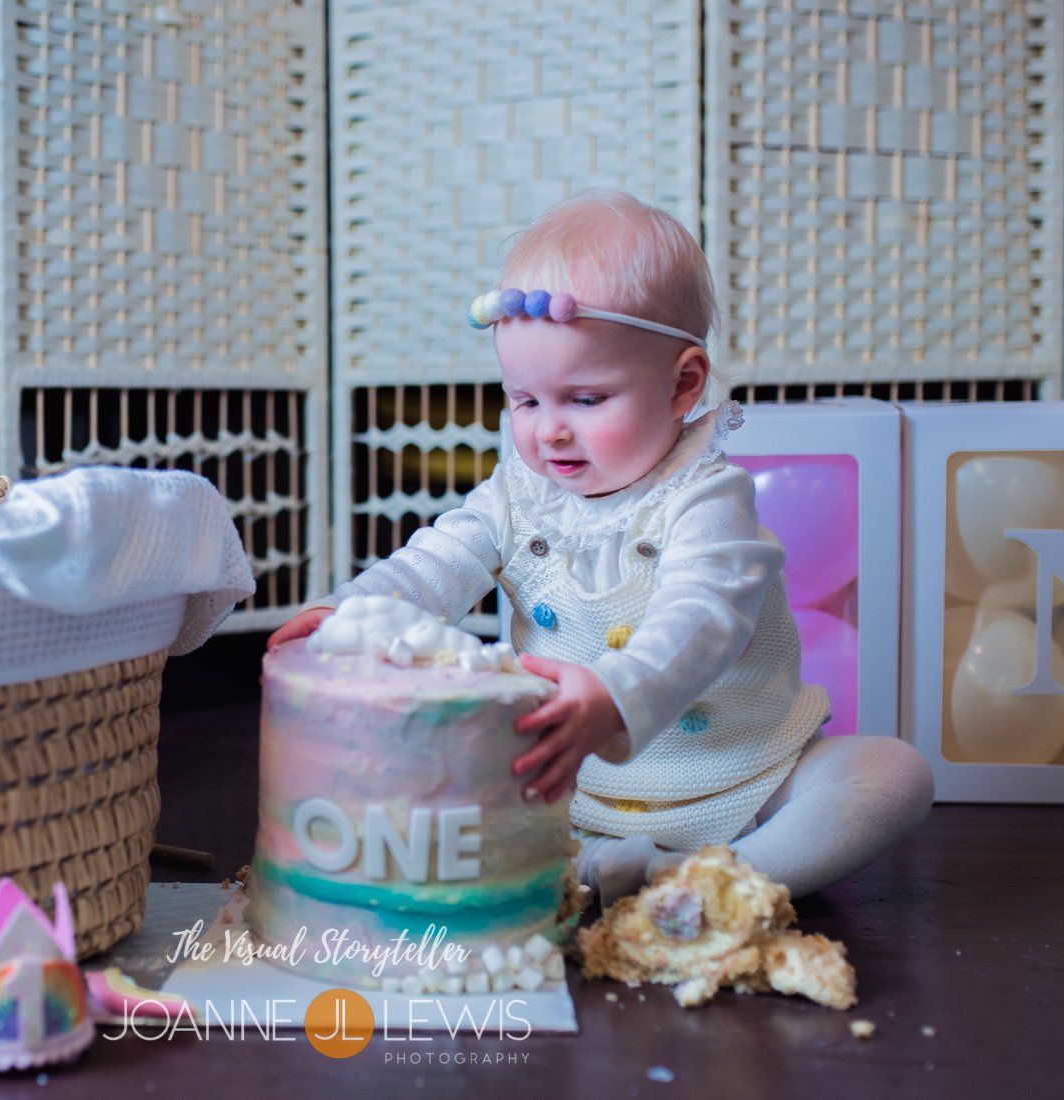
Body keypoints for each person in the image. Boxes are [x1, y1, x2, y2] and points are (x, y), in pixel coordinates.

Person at [268, 189, 933, 905]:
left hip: (743, 774)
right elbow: (434, 565)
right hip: (570, 784)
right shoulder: (515, 494)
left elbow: (700, 619)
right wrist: (351, 610)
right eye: (524, 400)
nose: (548, 431)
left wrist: (616, 693)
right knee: (432, 784)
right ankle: (592, 865)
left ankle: (724, 881)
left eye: (585, 400)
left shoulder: (707, 499)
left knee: (892, 775)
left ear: (682, 385)